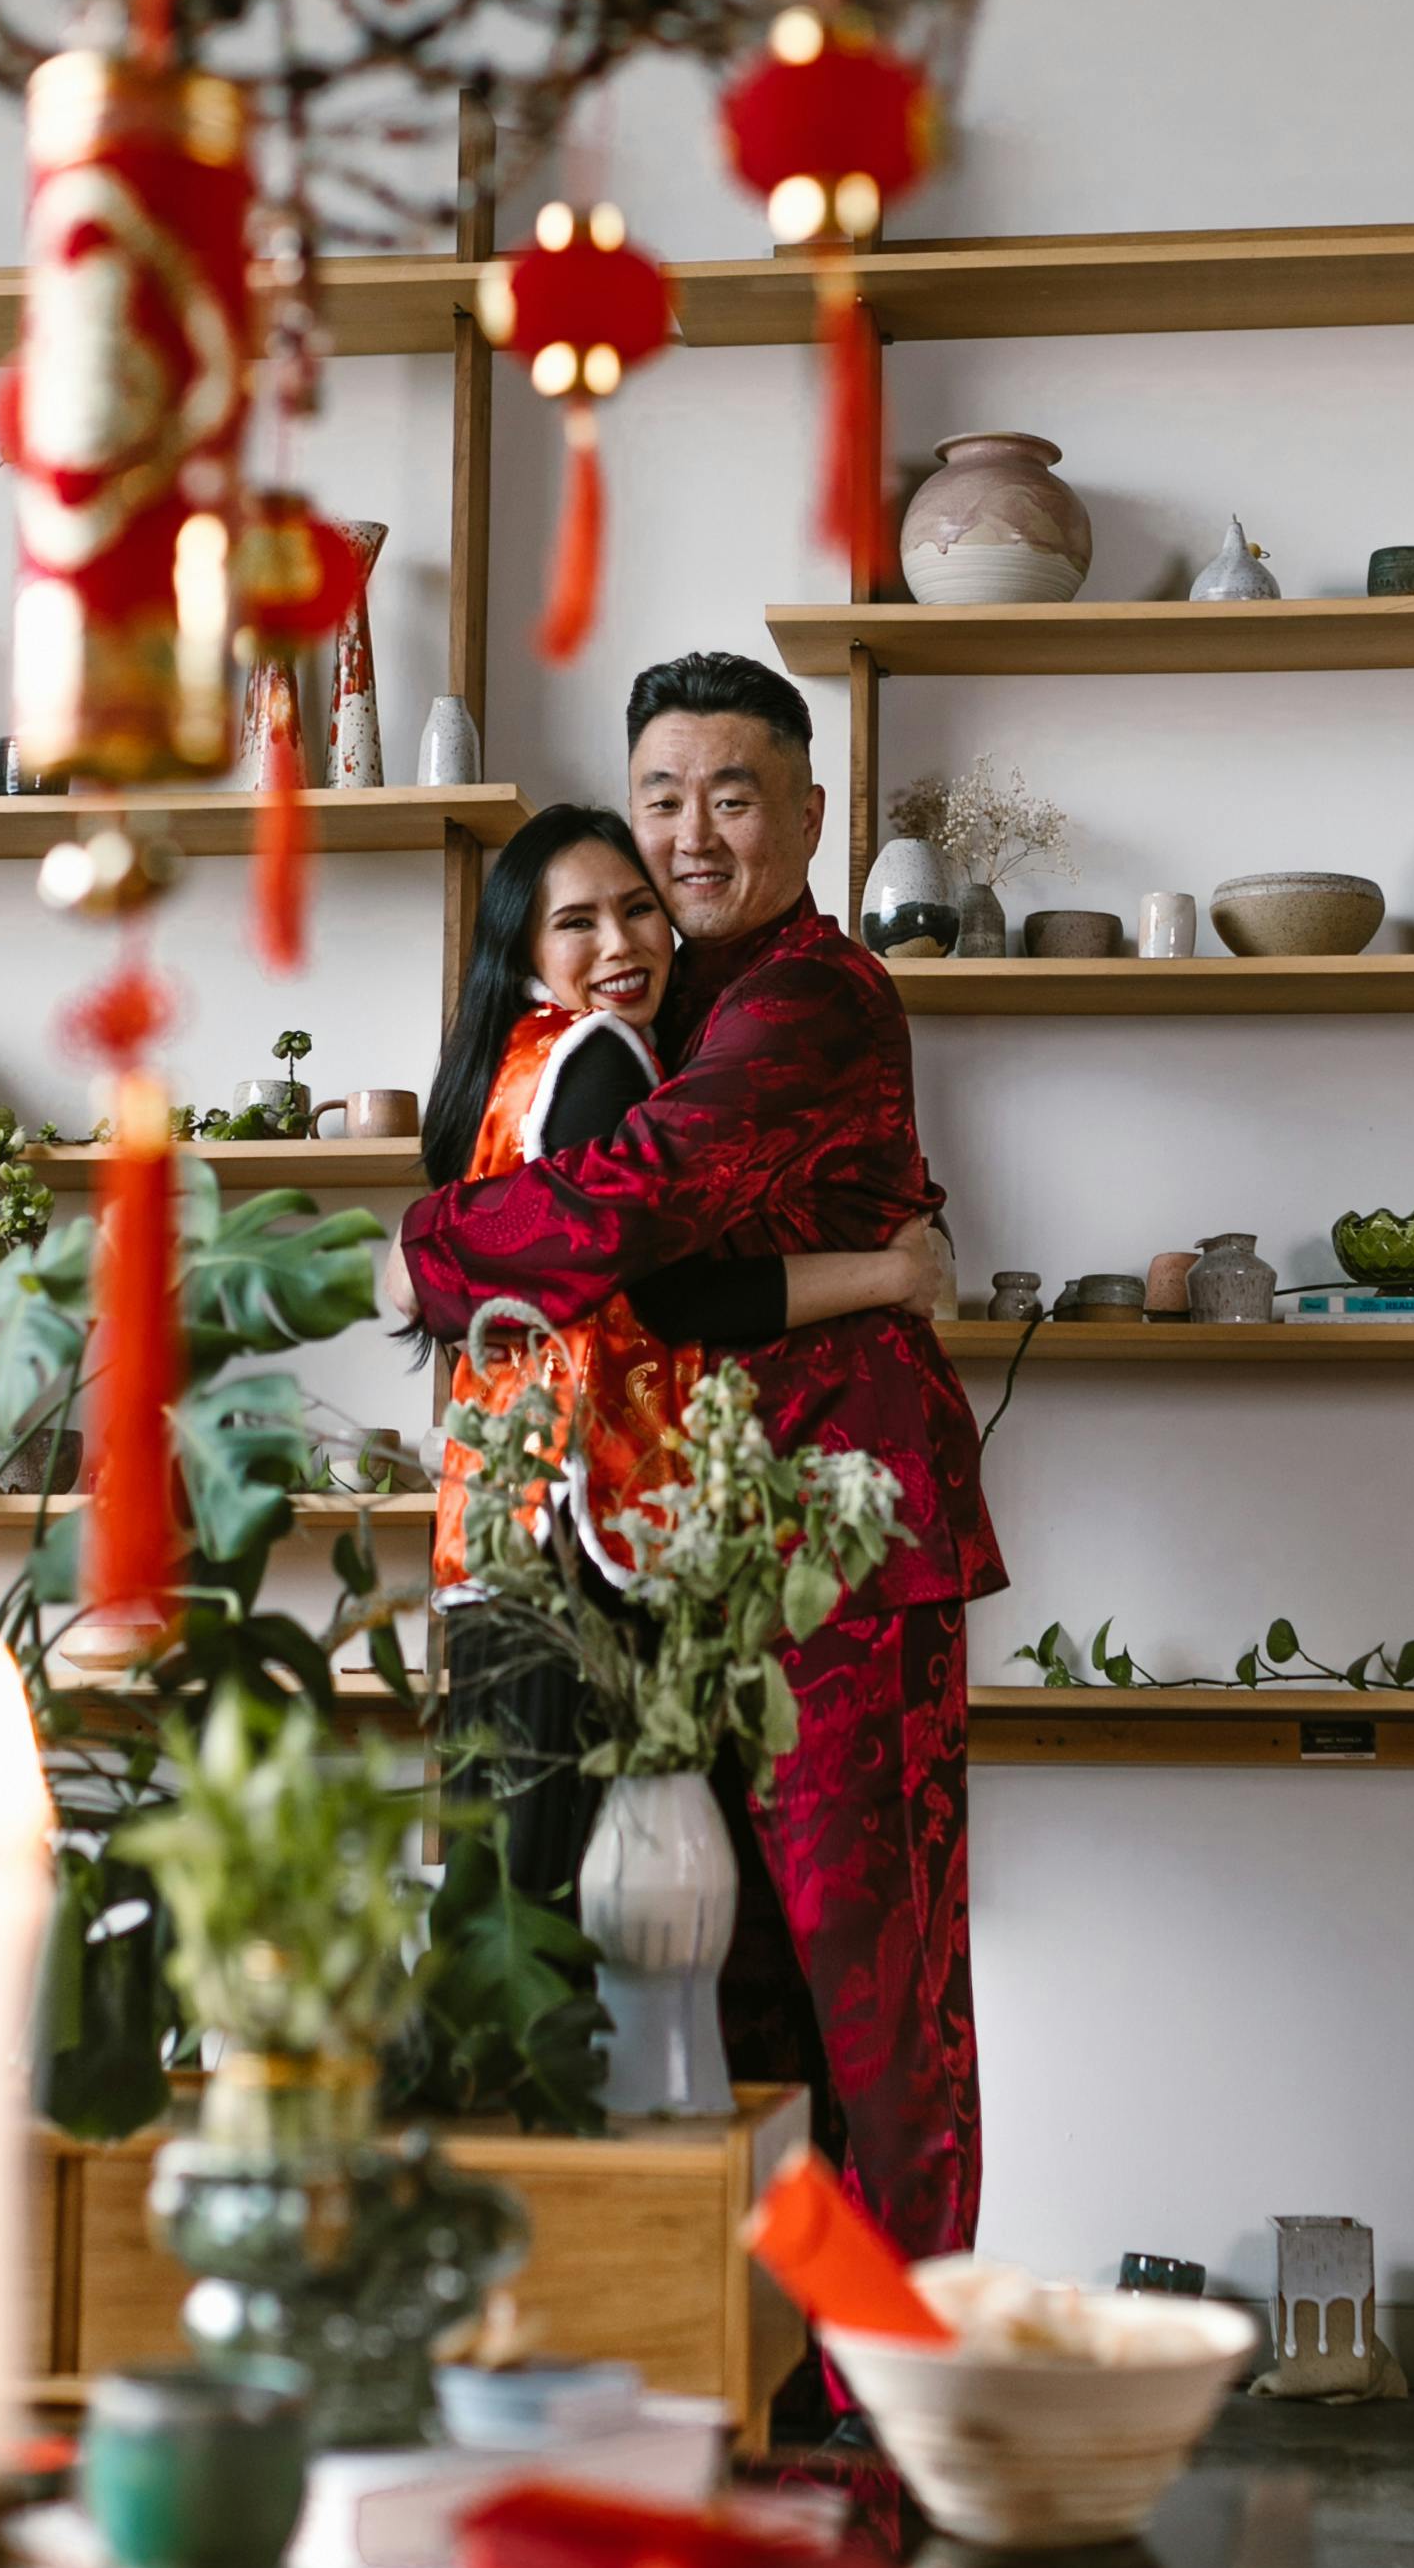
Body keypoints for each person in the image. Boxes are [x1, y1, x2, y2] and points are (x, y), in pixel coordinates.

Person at [388, 655, 1005, 2266]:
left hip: (847, 1537)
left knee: (870, 1977)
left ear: (807, 812)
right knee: (725, 1976)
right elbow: (656, 1285)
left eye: (735, 797)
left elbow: (635, 1209)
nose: (692, 835)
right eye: (663, 796)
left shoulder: (812, 997)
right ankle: (776, 2363)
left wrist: (420, 1245)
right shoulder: (653, 1004)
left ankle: (890, 2394)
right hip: (704, 1545)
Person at [419, 798, 943, 1904]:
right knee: (569, 1917)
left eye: (637, 910)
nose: (619, 946)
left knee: (502, 1903)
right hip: (577, 1545)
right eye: (577, 924)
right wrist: (893, 1274)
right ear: (523, 950)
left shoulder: (511, 1064)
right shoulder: (601, 1058)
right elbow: (675, 1290)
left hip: (496, 1540)